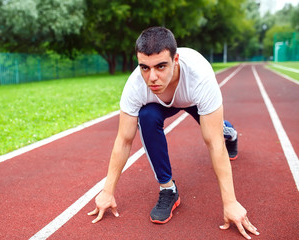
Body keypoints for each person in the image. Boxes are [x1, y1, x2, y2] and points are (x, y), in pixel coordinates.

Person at [88, 26, 259, 239]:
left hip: (191, 98)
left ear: (175, 59)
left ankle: (231, 134)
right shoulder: (135, 86)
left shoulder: (200, 77)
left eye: (161, 66)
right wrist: (107, 191)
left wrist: (230, 203)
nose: (152, 77)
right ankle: (168, 189)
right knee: (147, 117)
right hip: (158, 104)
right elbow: (124, 140)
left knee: (219, 133)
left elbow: (214, 143)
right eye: (144, 67)